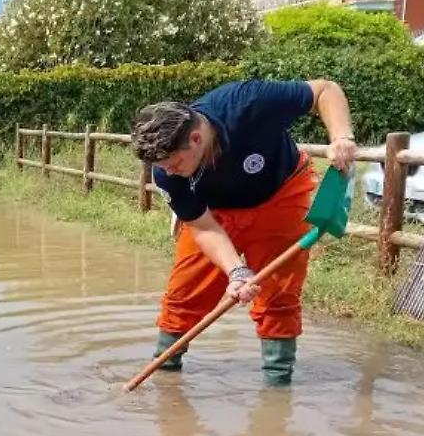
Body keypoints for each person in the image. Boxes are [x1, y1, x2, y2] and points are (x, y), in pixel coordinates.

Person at [132, 79, 356, 385]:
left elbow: (324, 90)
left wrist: (341, 136)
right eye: (163, 167)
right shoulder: (166, 173)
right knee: (185, 293)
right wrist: (236, 271)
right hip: (215, 214)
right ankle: (166, 377)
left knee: (279, 295)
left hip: (280, 195)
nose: (168, 172)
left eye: (174, 163)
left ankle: (277, 388)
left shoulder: (248, 103)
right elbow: (203, 226)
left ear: (196, 138)